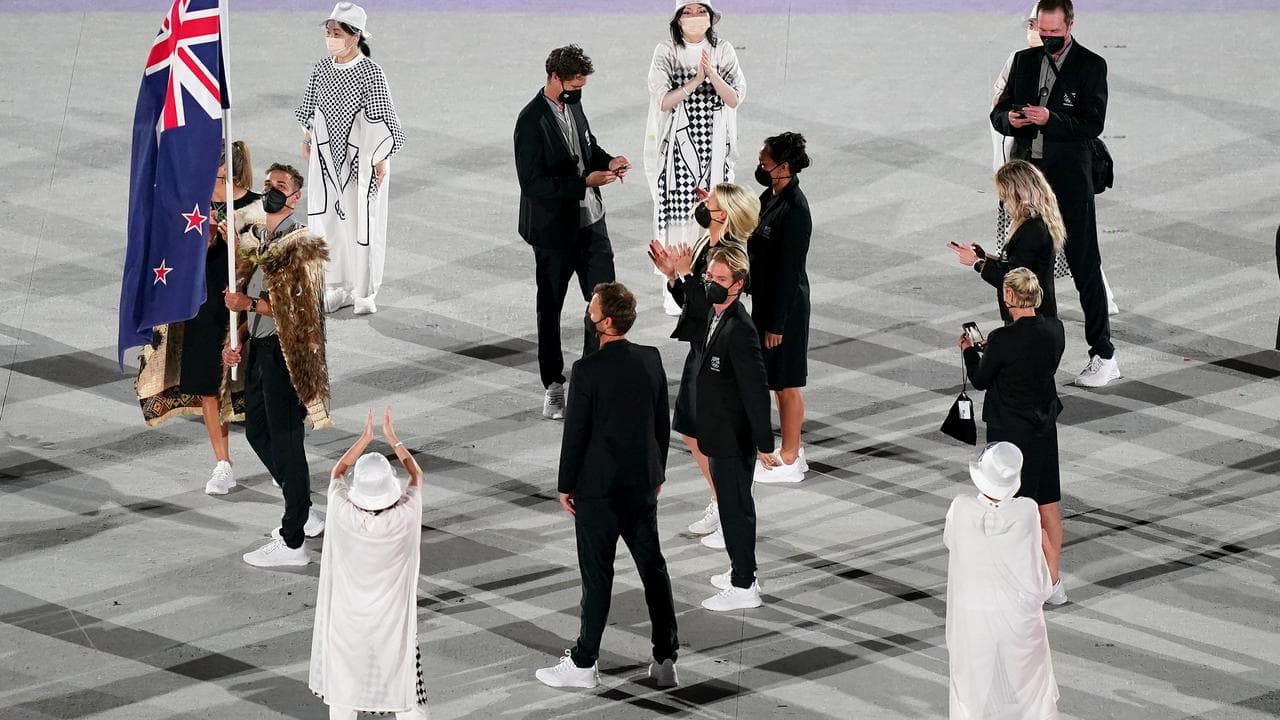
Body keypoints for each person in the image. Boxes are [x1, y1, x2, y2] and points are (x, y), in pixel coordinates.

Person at [536, 282, 680, 690]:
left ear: (607, 321)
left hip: (597, 491)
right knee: (653, 569)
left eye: (592, 308)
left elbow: (576, 434)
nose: (588, 312)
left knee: (597, 578)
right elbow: (660, 426)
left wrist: (565, 484)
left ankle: (585, 663)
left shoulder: (586, 371)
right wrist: (658, 474)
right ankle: (665, 657)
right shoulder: (650, 360)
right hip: (641, 486)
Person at [992, 0, 1120, 387]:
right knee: (1026, 268)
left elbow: (1092, 123)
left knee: (1085, 268)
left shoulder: (1091, 65)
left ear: (1070, 24)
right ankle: (1028, 351)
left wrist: (1051, 120)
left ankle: (1104, 354)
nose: (1047, 41)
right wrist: (1010, 120)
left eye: (1055, 34)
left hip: (1069, 183)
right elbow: (998, 113)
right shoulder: (1023, 61)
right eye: (1042, 34)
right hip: (1028, 186)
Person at [135, 141, 263, 495]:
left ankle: (274, 455)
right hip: (204, 304)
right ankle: (223, 463)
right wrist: (202, 240)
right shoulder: (195, 203)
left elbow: (266, 259)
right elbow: (173, 249)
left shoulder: (255, 205)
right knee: (208, 383)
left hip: (246, 305)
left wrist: (236, 243)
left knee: (258, 382)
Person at [222, 163, 333, 568]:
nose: (270, 190)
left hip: (288, 356)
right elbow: (250, 295)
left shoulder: (300, 244)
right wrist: (234, 340)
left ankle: (292, 542)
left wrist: (248, 305)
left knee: (287, 444)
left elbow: (300, 312)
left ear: (296, 197)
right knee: (256, 431)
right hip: (261, 349)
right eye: (267, 184)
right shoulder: (264, 238)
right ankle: (301, 507)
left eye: (279, 186)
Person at [514, 45, 631, 420]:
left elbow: (588, 147)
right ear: (554, 78)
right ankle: (554, 384)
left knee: (604, 304)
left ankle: (591, 380)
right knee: (550, 308)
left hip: (592, 224)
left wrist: (608, 161)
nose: (580, 88)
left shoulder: (574, 104)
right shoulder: (530, 122)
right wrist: (583, 181)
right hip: (553, 234)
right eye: (575, 81)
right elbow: (533, 184)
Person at [648, 182, 758, 550]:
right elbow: (693, 306)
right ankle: (719, 499)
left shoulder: (728, 254)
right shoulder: (704, 245)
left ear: (723, 214)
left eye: (708, 203)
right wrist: (673, 276)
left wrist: (682, 276)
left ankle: (729, 509)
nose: (701, 205)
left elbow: (710, 306)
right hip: (701, 348)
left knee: (711, 434)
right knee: (690, 429)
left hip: (717, 354)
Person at [310, 407, 429, 720]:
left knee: (343, 693)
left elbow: (336, 473)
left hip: (347, 621)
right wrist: (393, 440)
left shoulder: (341, 510)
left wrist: (364, 439)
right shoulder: (405, 514)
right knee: (405, 694)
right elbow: (417, 475)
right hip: (392, 622)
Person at [961, 268, 1068, 605]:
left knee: (1020, 509)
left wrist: (969, 350)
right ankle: (1056, 580)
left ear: (1009, 297)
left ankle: (1041, 580)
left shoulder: (1003, 339)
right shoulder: (1055, 330)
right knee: (1047, 504)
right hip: (1044, 427)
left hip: (1011, 433)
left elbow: (980, 379)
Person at [297, 1, 405, 316]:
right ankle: (334, 286)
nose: (330, 37)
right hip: (327, 161)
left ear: (354, 36)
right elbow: (311, 108)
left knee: (362, 224)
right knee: (327, 222)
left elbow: (383, 119)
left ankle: (363, 291)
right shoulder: (321, 68)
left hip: (362, 162)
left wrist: (381, 158)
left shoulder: (371, 73)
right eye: (328, 32)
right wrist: (306, 137)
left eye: (337, 32)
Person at [945, 441, 1060, 720]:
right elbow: (1040, 554)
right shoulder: (1026, 510)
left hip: (972, 616)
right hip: (1017, 616)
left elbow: (952, 542)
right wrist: (1052, 582)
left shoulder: (960, 507)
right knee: (1032, 686)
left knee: (968, 690)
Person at [644, 0, 745, 316]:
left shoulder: (723, 50)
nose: (694, 17)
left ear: (711, 16)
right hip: (677, 152)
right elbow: (663, 100)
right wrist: (694, 82)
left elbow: (734, 97)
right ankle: (674, 290)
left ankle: (716, 288)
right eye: (686, 12)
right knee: (676, 221)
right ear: (677, 19)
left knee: (714, 219)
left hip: (714, 151)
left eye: (700, 11)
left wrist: (712, 74)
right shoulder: (666, 52)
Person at [695, 246, 778, 612]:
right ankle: (739, 571)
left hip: (733, 436)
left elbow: (757, 390)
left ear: (739, 284)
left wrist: (764, 443)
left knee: (735, 508)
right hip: (719, 431)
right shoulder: (717, 315)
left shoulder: (740, 330)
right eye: (710, 277)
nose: (712, 284)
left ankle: (744, 584)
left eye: (721, 280)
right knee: (732, 506)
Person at [747, 132, 813, 484]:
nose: (760, 166)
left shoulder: (795, 210)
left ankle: (789, 457)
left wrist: (777, 325)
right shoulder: (770, 196)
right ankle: (792, 448)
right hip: (768, 302)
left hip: (785, 309)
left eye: (764, 162)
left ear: (783, 167)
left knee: (788, 384)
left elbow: (789, 271)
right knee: (777, 381)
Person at [950, 159, 1064, 323]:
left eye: (1004, 195)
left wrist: (976, 263)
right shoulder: (1033, 223)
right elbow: (1017, 263)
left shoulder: (1032, 231)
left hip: (1029, 320)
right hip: (1032, 318)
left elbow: (1013, 282)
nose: (1003, 202)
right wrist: (985, 257)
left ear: (1019, 195)